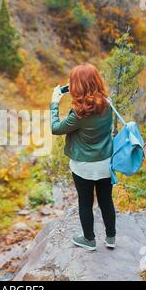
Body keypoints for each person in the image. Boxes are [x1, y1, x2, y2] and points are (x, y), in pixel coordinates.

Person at [50, 63, 116, 251]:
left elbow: (55, 129)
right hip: (105, 162)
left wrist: (54, 103)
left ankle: (89, 240)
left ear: (77, 87)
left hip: (83, 166)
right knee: (106, 200)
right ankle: (111, 237)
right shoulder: (107, 103)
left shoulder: (79, 114)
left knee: (85, 203)